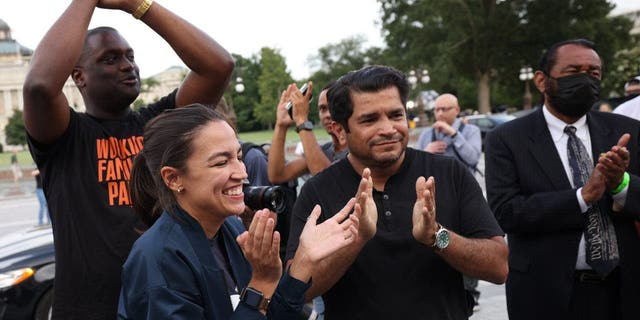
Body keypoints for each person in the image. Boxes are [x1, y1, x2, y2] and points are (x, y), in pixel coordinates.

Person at [22, 0, 234, 318]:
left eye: (130, 56)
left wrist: (137, 5)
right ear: (78, 77)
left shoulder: (159, 127)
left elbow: (218, 67)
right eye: (110, 59)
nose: (127, 66)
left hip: (164, 304)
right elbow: (39, 85)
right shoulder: (65, 137)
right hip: (89, 310)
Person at [285, 65, 508, 319]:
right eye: (369, 119)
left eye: (395, 115)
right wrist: (356, 239)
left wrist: (437, 236)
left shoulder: (449, 174)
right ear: (340, 130)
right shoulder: (318, 191)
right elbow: (297, 290)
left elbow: (498, 267)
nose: (388, 128)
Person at [118, 104, 360, 319]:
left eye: (239, 157)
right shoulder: (159, 258)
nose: (242, 173)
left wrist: (303, 263)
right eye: (221, 162)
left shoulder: (230, 228)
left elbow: (271, 313)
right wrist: (261, 283)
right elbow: (256, 299)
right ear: (173, 178)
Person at [485, 39, 640, 320]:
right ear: (542, 80)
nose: (585, 80)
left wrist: (620, 185)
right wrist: (581, 197)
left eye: (594, 73)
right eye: (573, 72)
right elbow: (506, 212)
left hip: (624, 292)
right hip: (545, 295)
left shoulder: (627, 132)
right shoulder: (506, 139)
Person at [268, 81, 348, 185]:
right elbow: (277, 175)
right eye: (323, 109)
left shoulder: (360, 151)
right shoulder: (323, 151)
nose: (328, 114)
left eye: (334, 108)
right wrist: (281, 125)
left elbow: (329, 183)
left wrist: (302, 121)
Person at [416, 93, 482, 173]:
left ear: (457, 110)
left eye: (444, 109)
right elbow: (416, 165)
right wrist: (425, 153)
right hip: (435, 184)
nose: (440, 114)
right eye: (437, 110)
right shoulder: (426, 134)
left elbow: (473, 160)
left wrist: (454, 134)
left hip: (463, 184)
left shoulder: (472, 130)